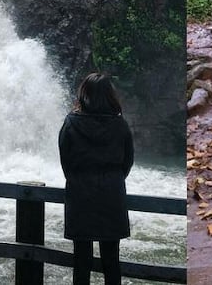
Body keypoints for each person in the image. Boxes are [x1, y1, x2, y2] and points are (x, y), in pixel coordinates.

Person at [59, 73, 135, 285]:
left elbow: (65, 161)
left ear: (84, 94)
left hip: (80, 194)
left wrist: (78, 179)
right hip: (112, 194)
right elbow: (127, 161)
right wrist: (113, 179)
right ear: (110, 95)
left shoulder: (71, 123)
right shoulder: (120, 125)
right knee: (111, 262)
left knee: (81, 261)